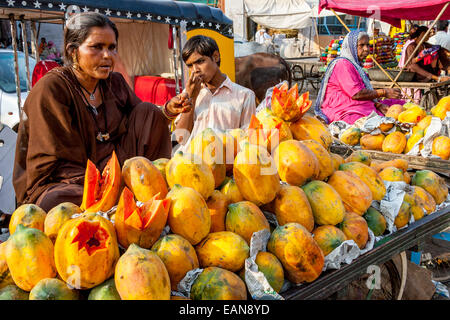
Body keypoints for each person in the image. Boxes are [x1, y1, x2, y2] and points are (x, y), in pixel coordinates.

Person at [12, 12, 192, 211]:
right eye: (96, 47)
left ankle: (139, 189)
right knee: (56, 203)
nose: (107, 56)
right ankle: (125, 195)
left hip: (118, 169)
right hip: (71, 181)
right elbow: (59, 160)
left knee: (149, 111)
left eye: (112, 48)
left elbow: (144, 125)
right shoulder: (52, 89)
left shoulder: (115, 82)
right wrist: (103, 184)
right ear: (73, 51)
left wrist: (166, 111)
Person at [174, 35, 256, 152]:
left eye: (200, 61)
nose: (195, 70)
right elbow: (180, 138)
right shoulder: (188, 93)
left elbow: (248, 141)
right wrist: (191, 98)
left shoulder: (245, 96)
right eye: (190, 65)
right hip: (190, 165)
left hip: (224, 166)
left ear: (215, 57)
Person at [314, 29, 402, 125]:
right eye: (361, 45)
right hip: (344, 109)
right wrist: (384, 92)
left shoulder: (355, 65)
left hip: (360, 105)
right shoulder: (343, 64)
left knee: (400, 105)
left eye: (368, 45)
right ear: (351, 47)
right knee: (372, 123)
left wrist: (377, 104)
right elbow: (356, 94)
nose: (366, 49)